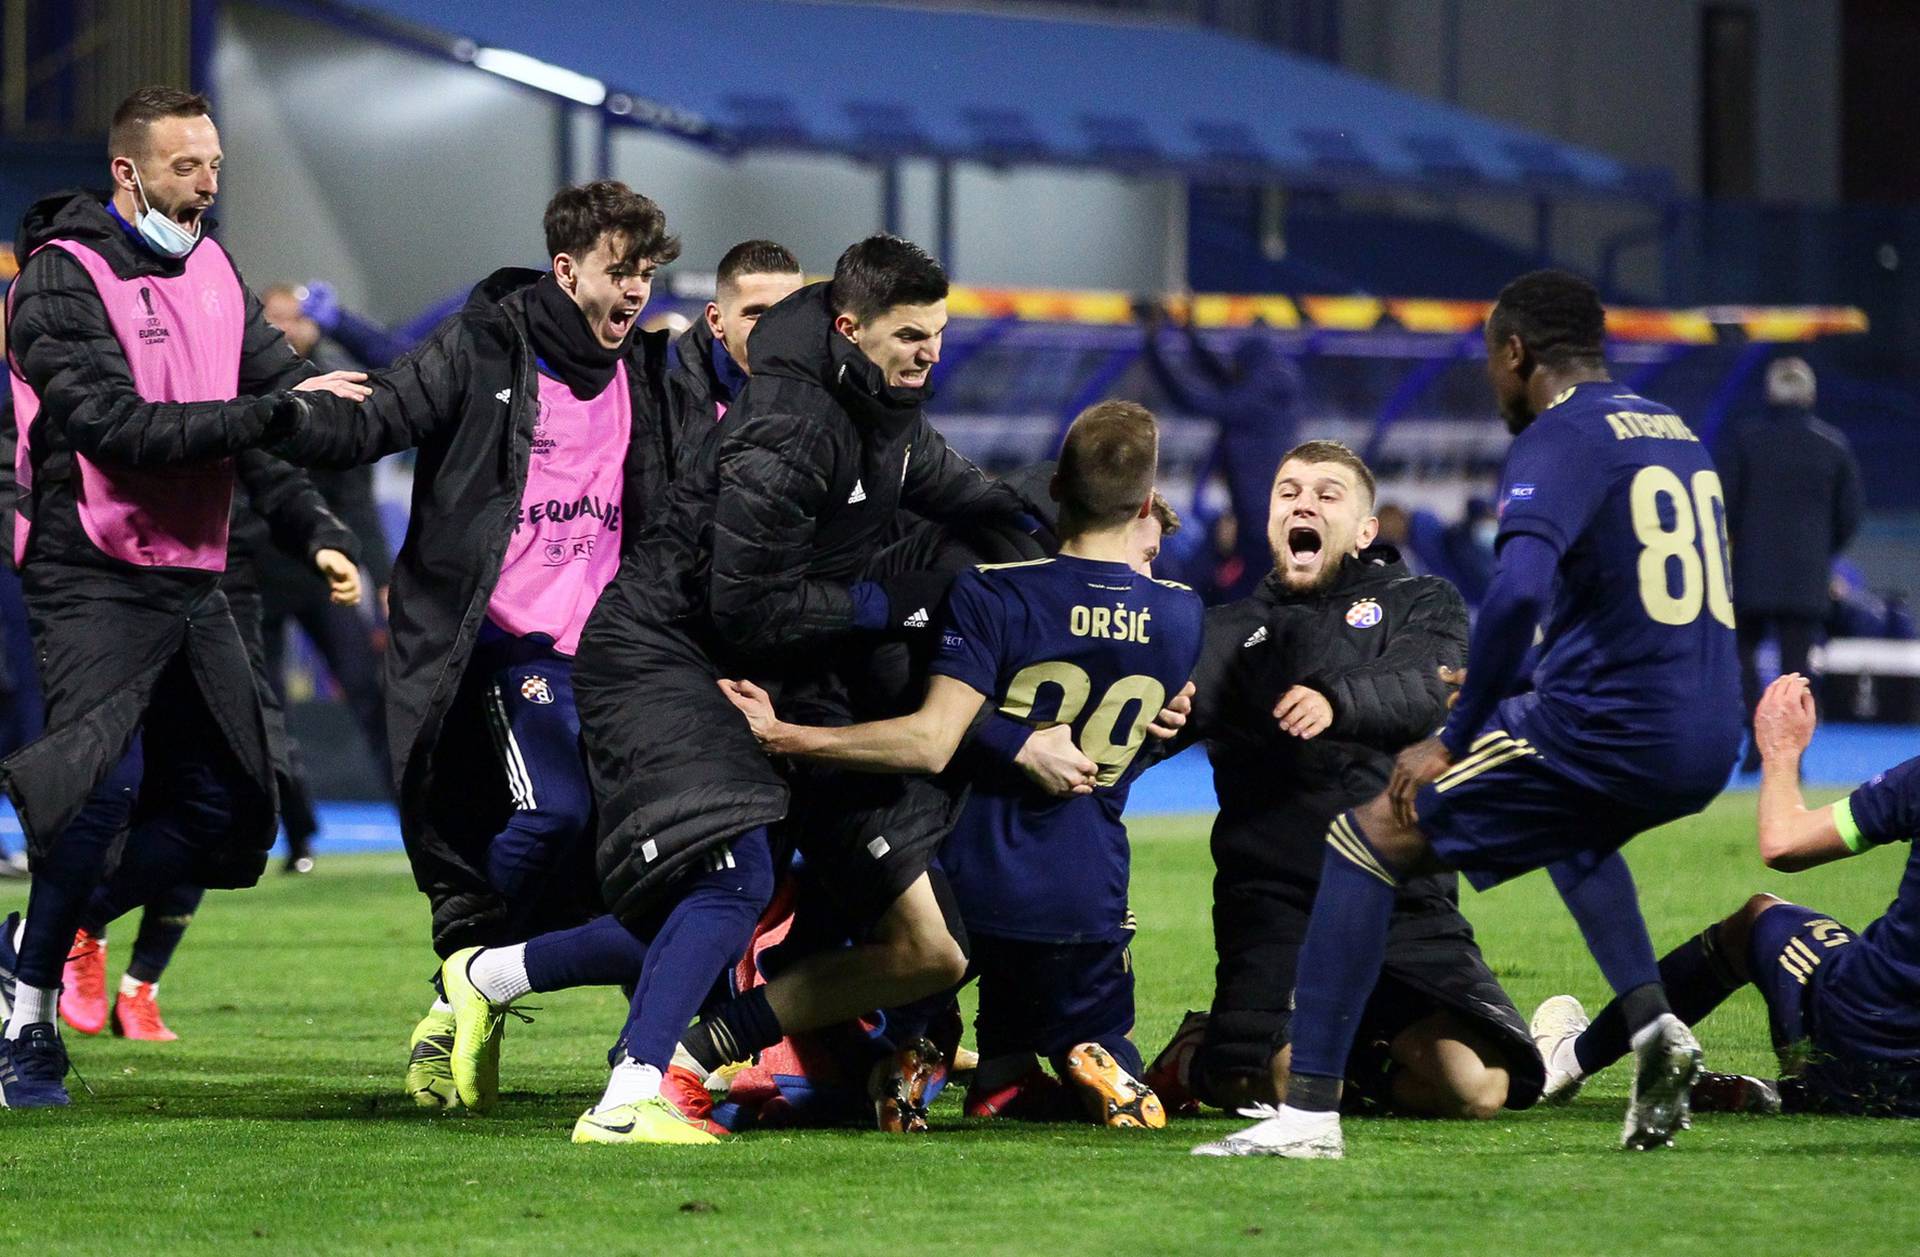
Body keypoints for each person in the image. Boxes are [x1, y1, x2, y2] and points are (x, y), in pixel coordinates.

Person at [1193, 270, 1742, 1158]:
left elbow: (1519, 592)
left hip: (1608, 716)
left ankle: (1310, 1118)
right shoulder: (1676, 433)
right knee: (1573, 830)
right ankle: (1652, 1028)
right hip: (1713, 725)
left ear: (1516, 353)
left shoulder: (1557, 438)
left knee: (1365, 838)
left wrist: (1457, 733)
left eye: (1492, 362)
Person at [573, 235, 1037, 1142]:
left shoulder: (887, 416)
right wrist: (887, 607)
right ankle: (630, 1100)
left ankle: (498, 980)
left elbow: (970, 494)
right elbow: (743, 604)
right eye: (910, 334)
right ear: (849, 326)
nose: (930, 351)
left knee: (746, 890)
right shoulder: (793, 423)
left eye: (939, 332)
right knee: (730, 873)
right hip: (665, 652)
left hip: (753, 666)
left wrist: (1071, 543)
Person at [262, 180, 688, 1115]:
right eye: (621, 273)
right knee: (555, 815)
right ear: (569, 268)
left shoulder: (648, 372)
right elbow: (381, 415)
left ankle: (507, 1002)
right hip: (503, 645)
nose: (634, 295)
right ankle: (478, 982)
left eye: (648, 277)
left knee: (654, 854)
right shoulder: (486, 343)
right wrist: (286, 411)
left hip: (611, 655)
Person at [0, 85, 365, 1109]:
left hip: (198, 571)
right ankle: (27, 1023)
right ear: (129, 172)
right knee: (100, 792)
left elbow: (279, 415)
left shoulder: (214, 268)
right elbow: (118, 429)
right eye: (184, 167)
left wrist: (324, 517)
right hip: (92, 569)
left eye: (213, 163)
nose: (207, 184)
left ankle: (28, 940)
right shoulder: (59, 283)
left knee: (232, 810)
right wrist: (278, 413)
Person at [723, 401, 1204, 1132]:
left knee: (919, 994)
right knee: (1091, 1019)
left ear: (1054, 492)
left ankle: (912, 1054)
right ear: (1144, 505)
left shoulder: (997, 590)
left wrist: (789, 733)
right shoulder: (1181, 614)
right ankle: (1092, 1053)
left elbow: (934, 719)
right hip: (1088, 887)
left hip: (975, 867)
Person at [1116, 441, 1541, 1121]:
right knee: (1290, 1082)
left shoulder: (1423, 602)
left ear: (1366, 529)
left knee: (1475, 1087)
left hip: (1404, 900)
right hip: (1282, 905)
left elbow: (1425, 691)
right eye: (1288, 492)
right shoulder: (1223, 631)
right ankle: (1203, 1051)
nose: (1303, 502)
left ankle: (1358, 1055)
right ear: (1271, 521)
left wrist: (1337, 699)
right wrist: (1146, 725)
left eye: (1326, 492)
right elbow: (1144, 739)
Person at [57, 448, 361, 1040]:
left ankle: (133, 976)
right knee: (124, 787)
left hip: (224, 590)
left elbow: (276, 463)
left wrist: (322, 535)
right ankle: (67, 950)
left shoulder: (236, 368)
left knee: (233, 792)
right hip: (112, 585)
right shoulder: (107, 366)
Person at [1532, 673, 1920, 1119]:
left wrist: (1780, 751)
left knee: (1759, 918)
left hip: (1875, 1035)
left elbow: (1783, 843)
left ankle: (1567, 1060)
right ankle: (1802, 1092)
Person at [258, 282, 395, 871]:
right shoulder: (248, 386)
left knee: (373, 696)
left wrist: (384, 575)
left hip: (326, 568)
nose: (287, 329)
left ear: (313, 325)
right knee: (264, 715)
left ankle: (419, 824)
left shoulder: (336, 389)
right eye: (275, 319)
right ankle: (299, 837)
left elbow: (359, 497)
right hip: (256, 571)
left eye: (295, 318)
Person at [1717, 357, 1863, 771]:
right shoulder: (1833, 445)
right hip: (1806, 577)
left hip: (1751, 574)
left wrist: (1741, 545)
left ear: (1769, 394)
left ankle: (1755, 742)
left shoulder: (1745, 441)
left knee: (1743, 654)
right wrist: (1820, 552)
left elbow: (1724, 504)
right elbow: (1850, 513)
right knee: (1797, 667)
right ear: (1810, 394)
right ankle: (1791, 756)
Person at [664, 239, 805, 467]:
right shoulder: (667, 406)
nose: (774, 328)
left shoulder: (831, 402)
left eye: (789, 312)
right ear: (716, 320)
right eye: (756, 314)